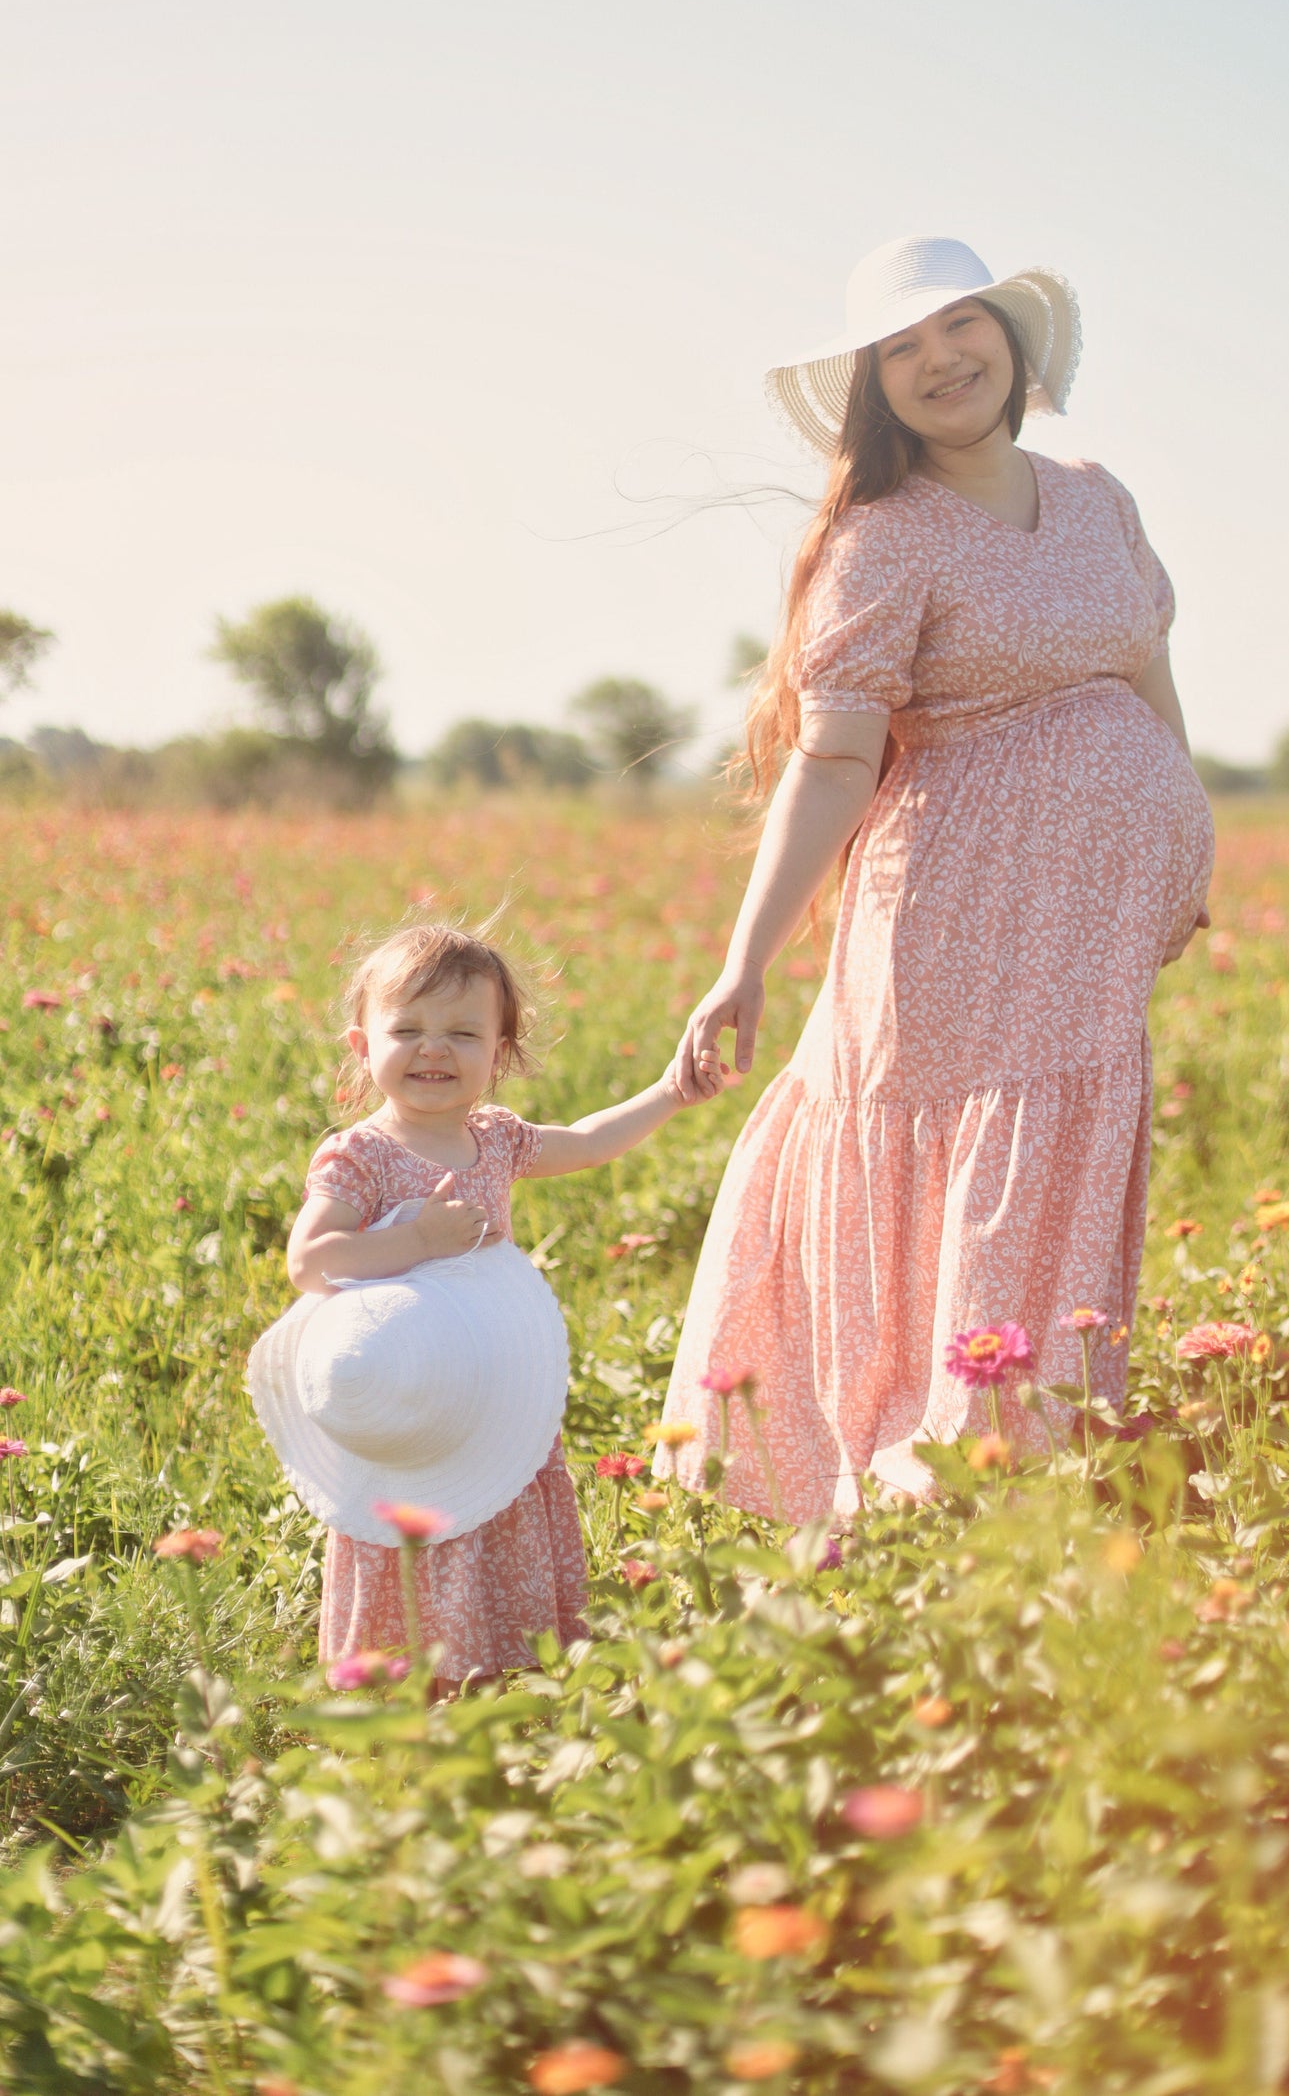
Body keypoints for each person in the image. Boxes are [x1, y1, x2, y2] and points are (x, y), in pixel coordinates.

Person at [658, 234, 1214, 1521]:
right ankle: (913, 1484)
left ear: (1009, 342)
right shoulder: (882, 538)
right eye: (899, 348)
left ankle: (1018, 1462)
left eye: (956, 327)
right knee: (955, 1176)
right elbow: (832, 760)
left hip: (1084, 934)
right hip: (952, 922)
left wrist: (1178, 842)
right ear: (874, 388)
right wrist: (742, 965)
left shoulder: (1095, 497)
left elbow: (1144, 679)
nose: (936, 360)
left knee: (1047, 1169)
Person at [251, 920, 724, 1693]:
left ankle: (505, 1670)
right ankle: (413, 1681)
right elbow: (310, 1261)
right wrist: (421, 1241)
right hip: (409, 1400)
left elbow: (589, 1140)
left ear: (498, 1054)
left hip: (490, 1395)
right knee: (423, 1525)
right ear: (362, 1047)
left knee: (496, 1504)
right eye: (407, 1030)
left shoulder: (496, 1140)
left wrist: (671, 1091)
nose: (433, 1049)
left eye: (462, 1033)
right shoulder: (359, 1155)